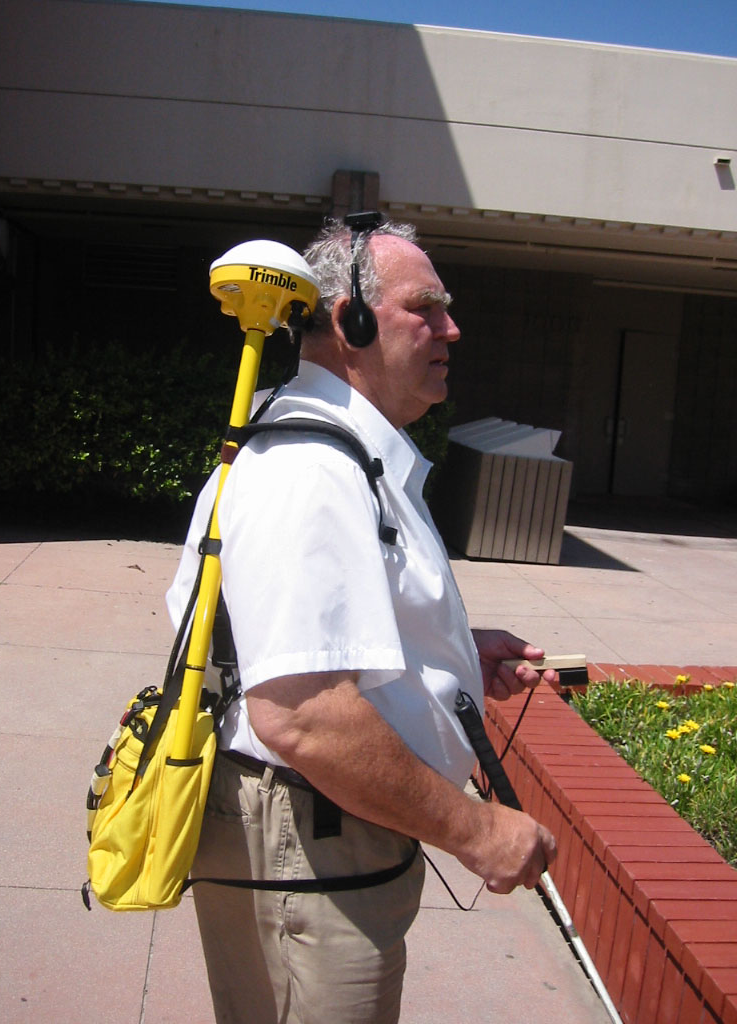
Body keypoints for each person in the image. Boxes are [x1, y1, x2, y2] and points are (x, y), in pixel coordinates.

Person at [166, 218, 557, 1024]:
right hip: (313, 842)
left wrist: (441, 655)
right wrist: (478, 829)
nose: (453, 327)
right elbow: (303, 713)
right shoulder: (311, 470)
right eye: (429, 307)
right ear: (350, 320)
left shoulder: (341, 452)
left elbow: (306, 643)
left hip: (332, 837)